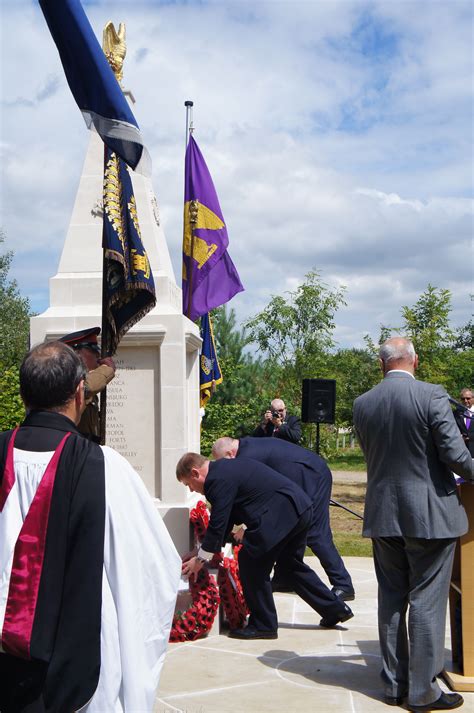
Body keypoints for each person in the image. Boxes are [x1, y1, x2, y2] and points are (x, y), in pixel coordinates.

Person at [0, 341, 181, 713]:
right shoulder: (105, 467)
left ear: (22, 394)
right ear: (81, 393)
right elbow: (154, 568)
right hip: (76, 673)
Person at [353, 337, 473, 712]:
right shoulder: (432, 395)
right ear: (415, 361)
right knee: (426, 600)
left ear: (382, 365)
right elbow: (454, 455)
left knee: (391, 598)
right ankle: (423, 692)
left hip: (383, 515)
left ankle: (393, 685)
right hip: (430, 516)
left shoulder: (363, 403)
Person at [177, 452, 353, 640]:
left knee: (252, 563)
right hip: (299, 509)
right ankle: (334, 609)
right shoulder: (224, 470)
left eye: (189, 484)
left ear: (196, 473)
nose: (192, 490)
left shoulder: (216, 480)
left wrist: (201, 559)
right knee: (289, 567)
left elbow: (219, 521)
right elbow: (227, 518)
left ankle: (263, 624)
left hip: (280, 515)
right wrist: (203, 550)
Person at [212, 435, 355, 600]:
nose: (223, 469)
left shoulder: (247, 458)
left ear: (230, 454)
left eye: (222, 463)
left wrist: (245, 528)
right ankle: (283, 579)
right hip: (300, 476)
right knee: (289, 529)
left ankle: (343, 584)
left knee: (315, 533)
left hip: (312, 475)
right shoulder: (245, 449)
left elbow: (256, 498)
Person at [59, 326, 115, 442]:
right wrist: (107, 369)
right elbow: (86, 388)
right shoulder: (62, 378)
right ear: (76, 353)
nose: (98, 356)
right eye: (93, 350)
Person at [454, 388, 474, 456]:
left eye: (468, 398)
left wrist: (470, 437)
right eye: (463, 399)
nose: (465, 401)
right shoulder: (456, 413)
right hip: (462, 452)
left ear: (473, 398)